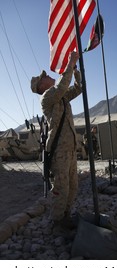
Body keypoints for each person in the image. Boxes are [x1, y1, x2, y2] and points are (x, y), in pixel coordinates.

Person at [31, 51, 82, 229]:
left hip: (70, 148)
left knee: (73, 186)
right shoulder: (47, 97)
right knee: (62, 187)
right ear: (41, 86)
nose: (49, 76)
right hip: (59, 151)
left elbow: (78, 88)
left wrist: (75, 70)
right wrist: (70, 62)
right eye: (45, 77)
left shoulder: (60, 97)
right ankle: (57, 221)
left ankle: (66, 216)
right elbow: (62, 85)